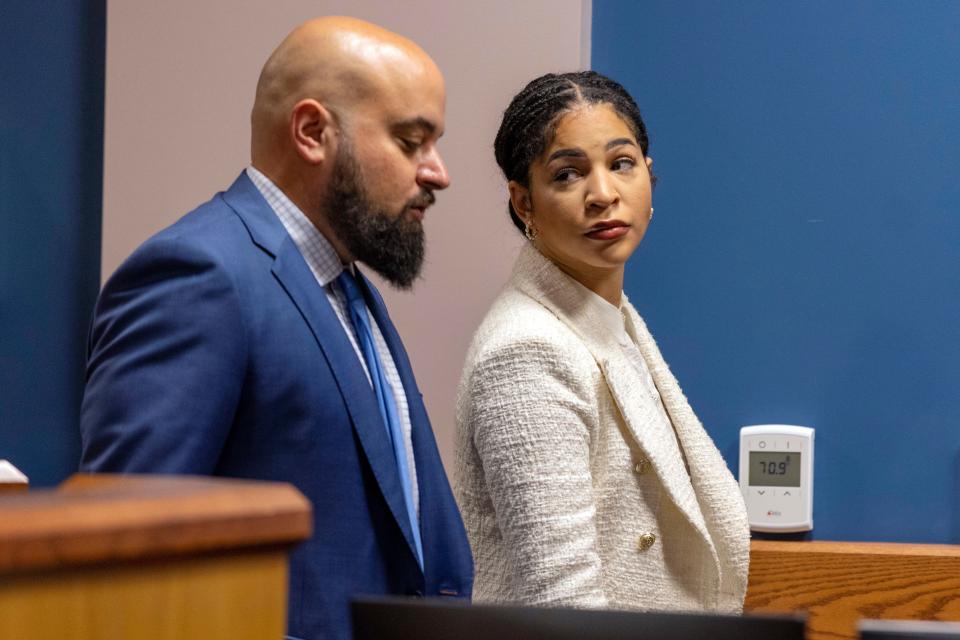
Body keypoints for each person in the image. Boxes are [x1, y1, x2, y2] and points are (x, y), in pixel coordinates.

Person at [80, 17, 473, 640]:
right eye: (410, 141)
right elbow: (126, 564)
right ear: (313, 132)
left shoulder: (347, 286)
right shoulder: (198, 275)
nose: (437, 172)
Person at [454, 71, 749, 613]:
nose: (603, 194)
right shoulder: (527, 351)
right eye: (567, 174)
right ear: (524, 203)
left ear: (649, 176)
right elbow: (562, 604)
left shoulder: (608, 317)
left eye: (621, 163)